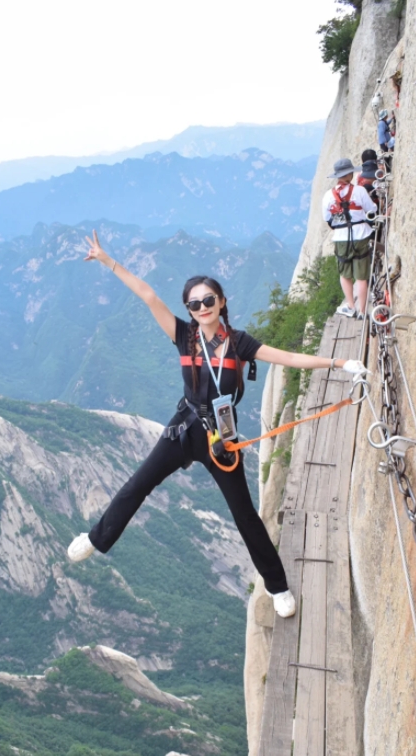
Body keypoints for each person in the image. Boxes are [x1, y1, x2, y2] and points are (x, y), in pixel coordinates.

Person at [67, 231, 369, 619]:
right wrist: (108, 261)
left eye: (209, 300)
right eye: (194, 303)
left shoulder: (239, 343)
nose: (202, 307)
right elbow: (147, 295)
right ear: (189, 309)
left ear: (221, 302)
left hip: (221, 440)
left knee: (244, 515)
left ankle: (277, 586)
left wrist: (340, 364)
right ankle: (95, 539)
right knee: (137, 484)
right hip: (184, 428)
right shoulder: (183, 336)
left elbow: (290, 358)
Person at [322, 158, 377, 320]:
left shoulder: (328, 196)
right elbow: (372, 209)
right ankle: (362, 311)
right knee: (361, 276)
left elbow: (327, 218)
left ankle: (351, 307)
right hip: (361, 234)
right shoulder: (359, 191)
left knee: (345, 274)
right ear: (350, 174)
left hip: (340, 237)